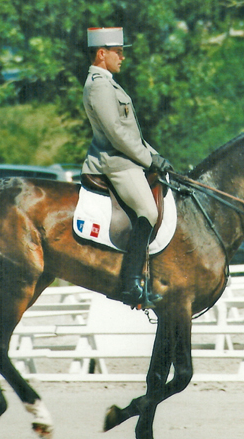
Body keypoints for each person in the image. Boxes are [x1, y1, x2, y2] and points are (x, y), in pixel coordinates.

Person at [82, 27, 171, 309]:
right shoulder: (98, 85)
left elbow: (132, 133)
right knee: (149, 210)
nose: (122, 57)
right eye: (118, 52)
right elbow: (117, 134)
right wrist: (148, 160)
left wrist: (155, 155)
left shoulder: (108, 83)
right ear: (101, 53)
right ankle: (131, 283)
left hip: (128, 157)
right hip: (116, 162)